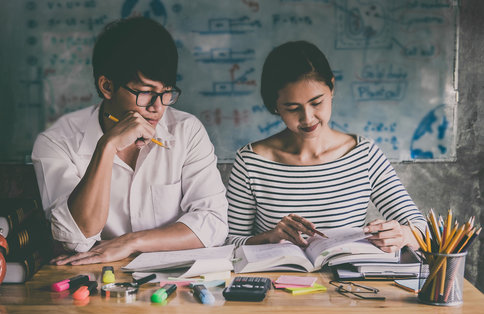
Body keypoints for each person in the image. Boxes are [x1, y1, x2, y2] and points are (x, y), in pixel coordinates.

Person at [32, 17, 228, 265]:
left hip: (174, 283)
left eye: (166, 91)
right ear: (107, 87)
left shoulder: (186, 132)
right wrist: (107, 146)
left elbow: (214, 223)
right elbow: (74, 239)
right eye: (145, 92)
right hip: (95, 281)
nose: (158, 107)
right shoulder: (56, 142)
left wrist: (131, 242)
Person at [226, 41, 426, 252]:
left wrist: (403, 235)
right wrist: (270, 237)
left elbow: (422, 229)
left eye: (316, 103)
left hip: (347, 283)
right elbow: (229, 242)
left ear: (331, 88)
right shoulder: (250, 161)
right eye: (292, 108)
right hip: (275, 281)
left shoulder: (363, 155)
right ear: (275, 107)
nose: (307, 118)